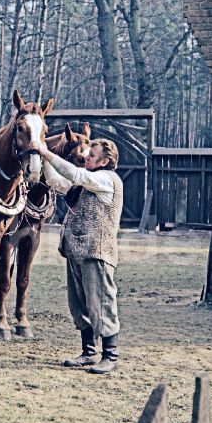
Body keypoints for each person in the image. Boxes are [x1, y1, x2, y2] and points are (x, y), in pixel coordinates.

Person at [37, 136, 124, 374]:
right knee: (79, 305)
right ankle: (88, 352)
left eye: (91, 155)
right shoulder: (89, 182)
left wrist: (45, 152)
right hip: (76, 251)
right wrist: (43, 158)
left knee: (101, 304)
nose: (86, 157)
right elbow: (58, 182)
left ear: (105, 161)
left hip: (97, 252)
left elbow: (75, 175)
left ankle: (110, 356)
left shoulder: (107, 179)